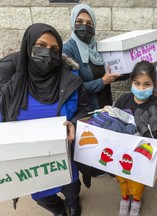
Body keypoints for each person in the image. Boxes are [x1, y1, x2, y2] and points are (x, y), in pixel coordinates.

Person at [0, 23, 90, 216]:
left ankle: (73, 204)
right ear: (28, 46)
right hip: (30, 161)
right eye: (41, 45)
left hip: (64, 155)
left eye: (54, 49)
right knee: (42, 196)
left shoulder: (72, 82)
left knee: (71, 188)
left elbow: (84, 110)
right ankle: (58, 210)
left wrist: (74, 124)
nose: (47, 53)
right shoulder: (10, 86)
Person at [63, 3, 122, 179]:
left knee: (106, 136)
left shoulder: (98, 47)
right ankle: (94, 170)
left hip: (103, 102)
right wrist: (102, 81)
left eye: (89, 23)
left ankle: (107, 164)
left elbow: (110, 72)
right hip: (85, 106)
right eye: (80, 21)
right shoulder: (68, 50)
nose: (84, 27)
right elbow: (72, 87)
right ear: (73, 22)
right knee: (90, 141)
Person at [114, 61, 157, 216]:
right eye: (137, 83)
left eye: (147, 84)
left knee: (139, 182)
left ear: (154, 84)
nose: (141, 88)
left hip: (145, 155)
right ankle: (125, 198)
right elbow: (112, 122)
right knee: (122, 178)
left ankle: (136, 201)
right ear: (131, 82)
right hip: (123, 152)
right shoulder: (123, 100)